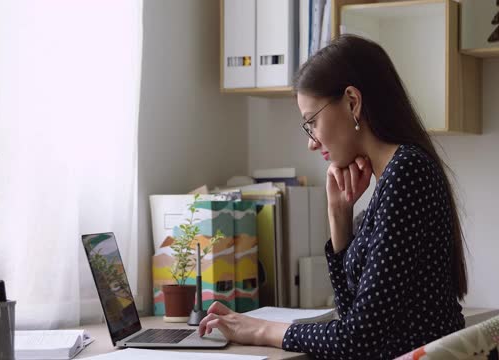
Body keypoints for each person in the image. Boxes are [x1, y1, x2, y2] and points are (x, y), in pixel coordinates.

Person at [199, 34, 468, 359]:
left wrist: (261, 329)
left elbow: (357, 340)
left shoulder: (407, 172)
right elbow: (352, 316)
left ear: (353, 102)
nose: (311, 142)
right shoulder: (393, 178)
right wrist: (339, 217)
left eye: (311, 121)